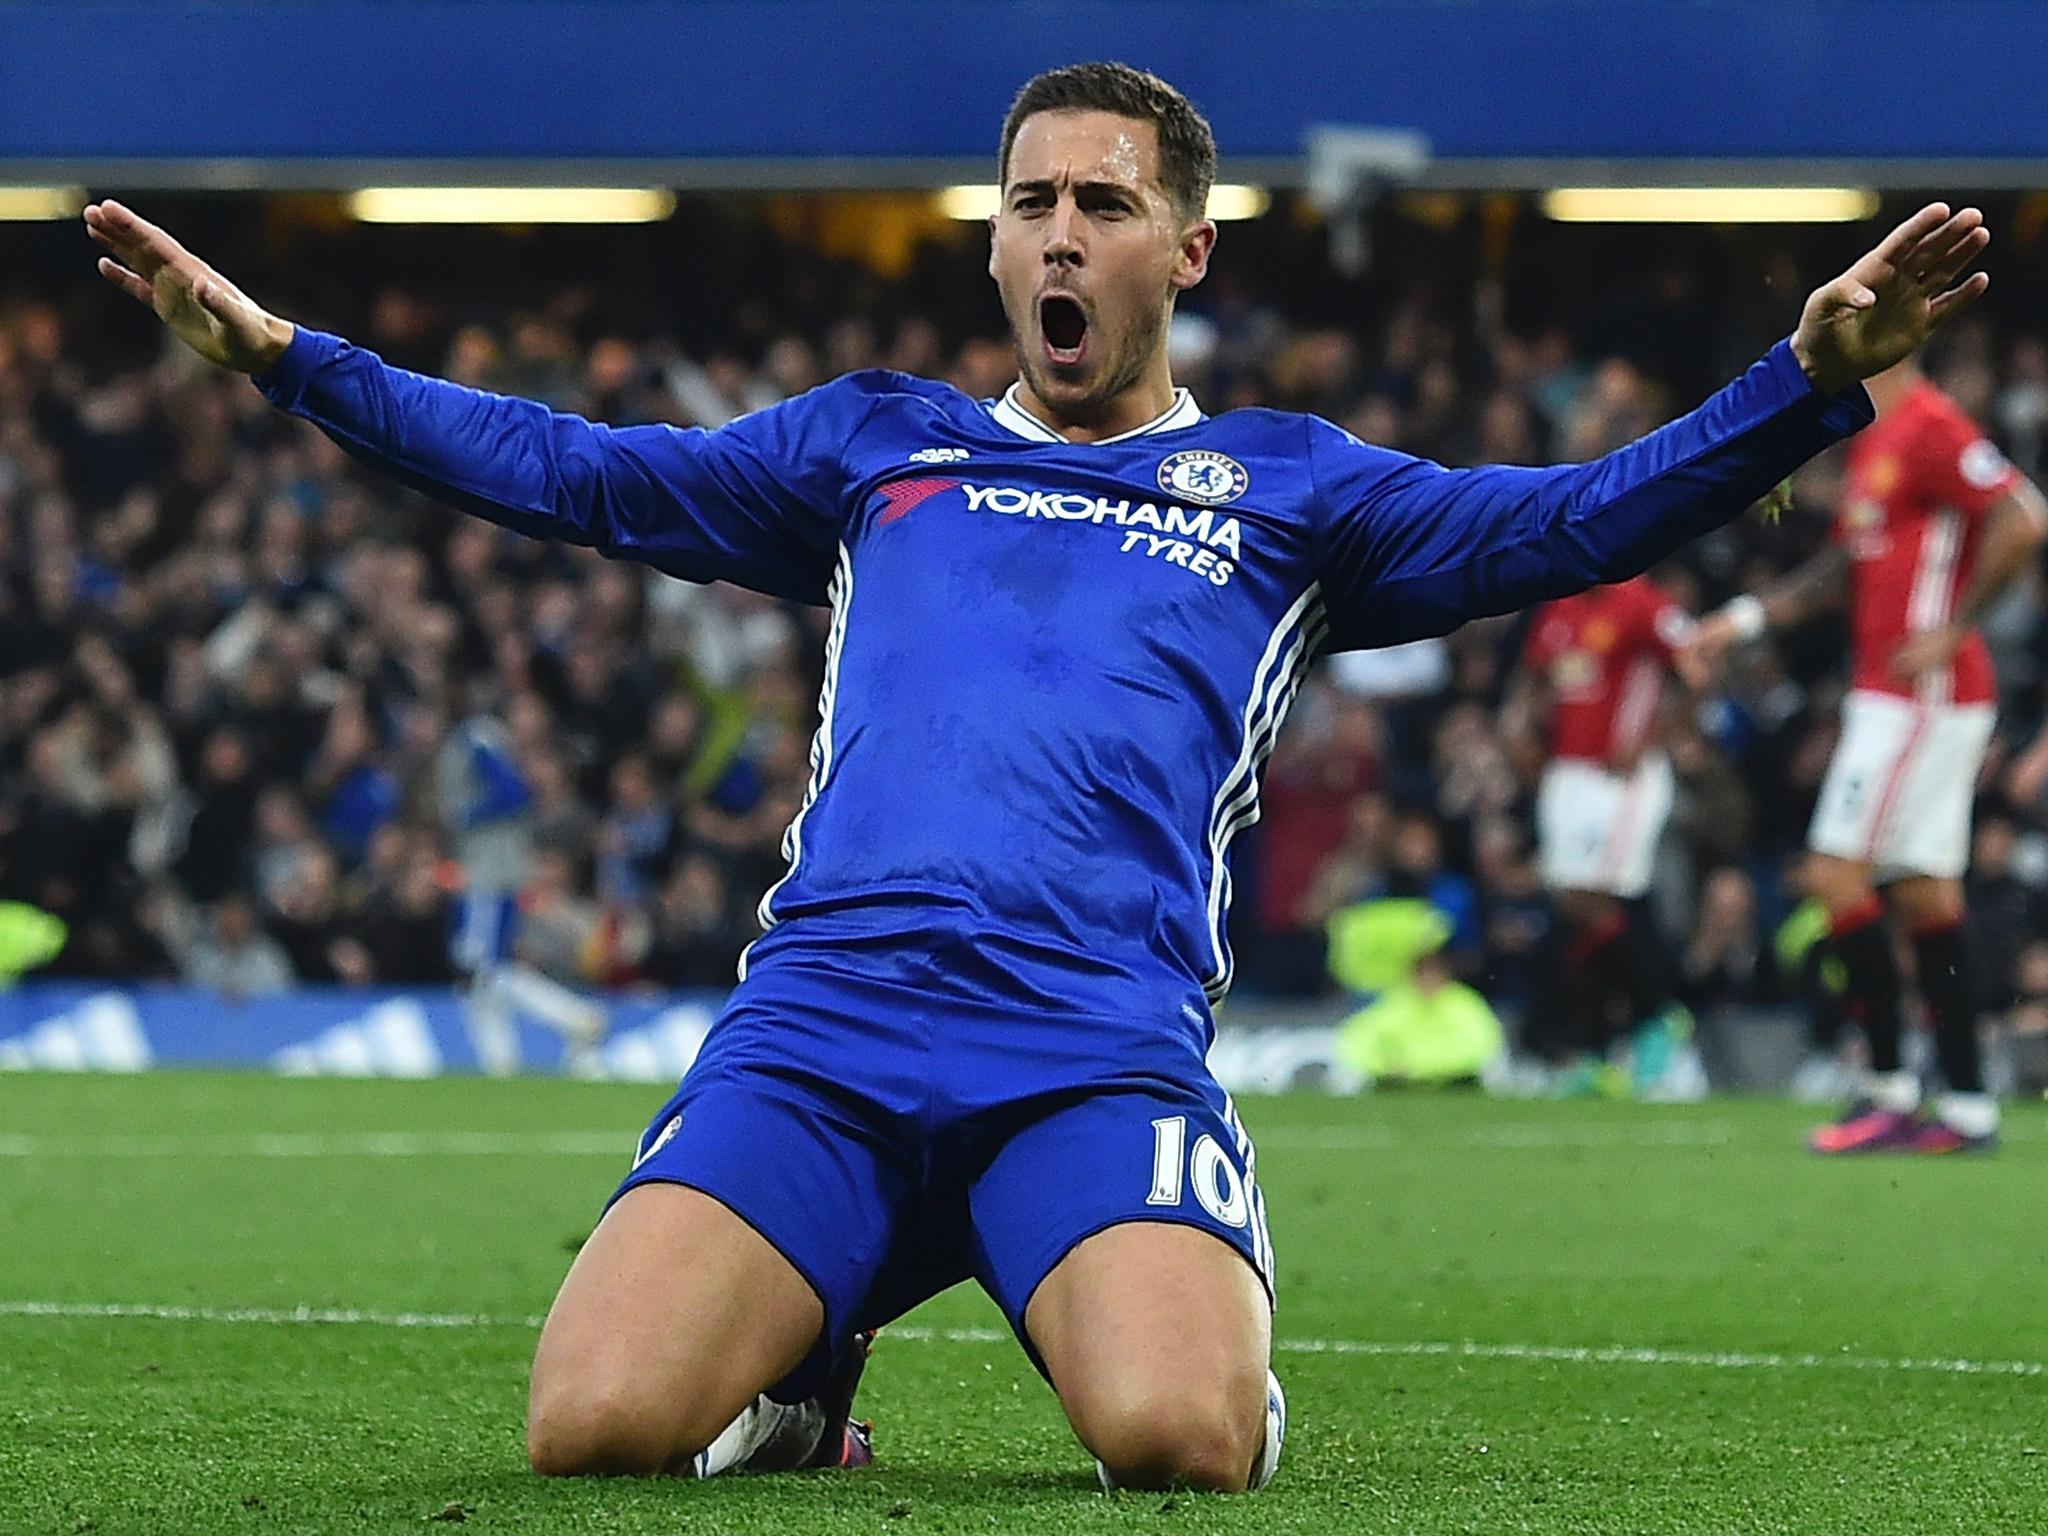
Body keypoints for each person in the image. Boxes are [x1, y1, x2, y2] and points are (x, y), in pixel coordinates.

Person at [85, 60, 1983, 1493]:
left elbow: (1570, 521)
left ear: (1187, 246)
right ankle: (812, 1340)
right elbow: (580, 470)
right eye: (1027, 202)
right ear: (992, 241)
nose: (1057, 232)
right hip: (821, 1028)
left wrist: (1799, 382)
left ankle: (1154, 1274)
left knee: (1179, 1443)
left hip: (1087, 1039)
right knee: (592, 1430)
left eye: (1100, 201)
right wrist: (288, 361)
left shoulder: (1292, 489)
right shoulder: (869, 451)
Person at [1685, 353, 2047, 1152]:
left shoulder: (1928, 424)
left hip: (1918, 696)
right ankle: (1966, 1105)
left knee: (1833, 872)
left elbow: (2023, 514)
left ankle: (1886, 1087)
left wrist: (1955, 629)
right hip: (1899, 697)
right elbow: (1846, 569)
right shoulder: (1875, 439)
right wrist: (1744, 622)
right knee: (1924, 896)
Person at [1509, 575, 1698, 1094]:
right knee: (1571, 904)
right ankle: (1600, 1041)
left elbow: (1699, 665)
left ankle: (1660, 1016)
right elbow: (1535, 678)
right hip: (1566, 772)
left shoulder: (1644, 603)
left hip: (1622, 776)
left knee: (1594, 897)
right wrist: (1521, 728)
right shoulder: (1559, 606)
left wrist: (1655, 737)